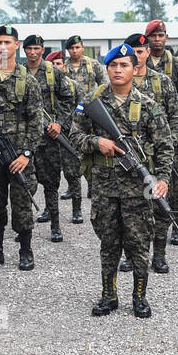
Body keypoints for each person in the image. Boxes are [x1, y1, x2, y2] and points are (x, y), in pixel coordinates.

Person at [70, 42, 172, 318]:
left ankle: (139, 297)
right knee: (109, 243)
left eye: (124, 65)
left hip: (138, 190)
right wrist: (97, 142)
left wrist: (162, 179)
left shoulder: (148, 105)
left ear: (134, 69)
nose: (118, 70)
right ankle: (109, 295)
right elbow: (74, 136)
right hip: (104, 187)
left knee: (138, 243)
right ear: (107, 69)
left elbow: (165, 146)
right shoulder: (91, 102)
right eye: (113, 65)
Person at [121, 33, 178, 274]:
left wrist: (168, 143)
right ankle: (131, 255)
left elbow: (176, 114)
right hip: (129, 158)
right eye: (133, 52)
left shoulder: (162, 82)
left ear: (148, 52)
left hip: (158, 154)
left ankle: (159, 255)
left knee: (160, 206)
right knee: (131, 209)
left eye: (140, 52)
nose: (137, 56)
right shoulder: (120, 83)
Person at [0, 26, 43, 271]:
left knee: (22, 203)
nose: (3, 47)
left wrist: (26, 154)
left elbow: (36, 121)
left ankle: (25, 250)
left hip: (18, 154)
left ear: (17, 45)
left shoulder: (27, 80)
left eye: (8, 42)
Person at [24, 33, 79, 244]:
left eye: (37, 48)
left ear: (42, 50)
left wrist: (59, 123)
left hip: (48, 137)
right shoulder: (19, 73)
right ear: (24, 50)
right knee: (24, 183)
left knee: (51, 183)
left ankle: (55, 225)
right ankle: (24, 227)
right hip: (26, 136)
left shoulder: (52, 72)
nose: (33, 52)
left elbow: (68, 98)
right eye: (29, 48)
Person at [145, 21, 178, 227]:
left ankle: (176, 222)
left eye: (161, 35)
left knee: (176, 181)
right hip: (148, 132)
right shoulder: (141, 62)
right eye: (153, 36)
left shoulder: (176, 65)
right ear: (147, 39)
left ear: (166, 37)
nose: (157, 39)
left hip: (173, 132)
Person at [60, 35, 106, 218]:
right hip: (70, 115)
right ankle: (73, 187)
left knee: (92, 149)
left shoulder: (93, 65)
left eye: (77, 47)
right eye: (71, 48)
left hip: (91, 113)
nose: (75, 51)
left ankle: (92, 184)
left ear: (82, 47)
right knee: (71, 154)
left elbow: (104, 85)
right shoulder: (63, 68)